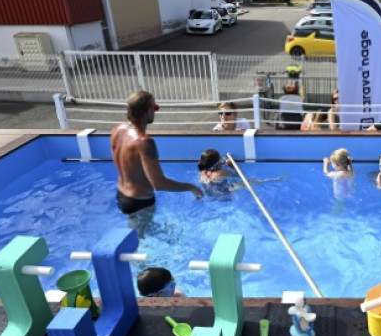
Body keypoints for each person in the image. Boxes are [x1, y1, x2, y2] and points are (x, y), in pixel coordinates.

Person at [111, 91, 202, 236]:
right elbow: (159, 184)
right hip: (140, 202)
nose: (155, 112)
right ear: (147, 110)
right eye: (155, 108)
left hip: (122, 195)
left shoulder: (117, 130)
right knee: (140, 243)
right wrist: (190, 187)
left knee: (143, 228)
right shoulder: (145, 142)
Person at [197, 149, 282, 197]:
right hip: (226, 195)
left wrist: (221, 163)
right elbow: (239, 175)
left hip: (211, 196)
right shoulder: (222, 172)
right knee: (248, 182)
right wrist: (232, 165)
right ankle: (274, 180)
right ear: (217, 163)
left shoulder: (203, 172)